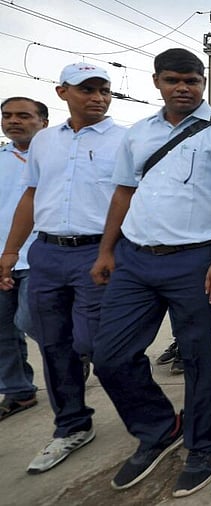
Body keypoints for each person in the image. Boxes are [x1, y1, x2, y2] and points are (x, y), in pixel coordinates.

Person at [89, 48, 211, 497]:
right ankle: (160, 428)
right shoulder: (139, 133)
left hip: (196, 261)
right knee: (109, 356)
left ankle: (202, 444)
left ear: (203, 83)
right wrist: (106, 251)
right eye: (173, 80)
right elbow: (124, 193)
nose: (183, 88)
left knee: (199, 358)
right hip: (135, 259)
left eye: (191, 81)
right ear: (157, 82)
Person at [0, 63, 126, 473]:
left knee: (96, 343)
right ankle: (71, 425)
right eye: (87, 89)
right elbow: (31, 196)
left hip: (99, 253)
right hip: (47, 253)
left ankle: (146, 415)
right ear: (62, 92)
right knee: (53, 344)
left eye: (104, 90)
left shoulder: (125, 140)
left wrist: (113, 252)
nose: (98, 98)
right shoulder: (45, 142)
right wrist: (10, 251)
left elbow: (131, 199)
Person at [0, 97, 48, 422]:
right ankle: (18, 391)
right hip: (2, 256)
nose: (13, 121)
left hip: (40, 255)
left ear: (43, 122)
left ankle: (72, 355)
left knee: (30, 320)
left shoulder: (56, 157)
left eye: (23, 115)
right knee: (2, 330)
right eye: (7, 116)